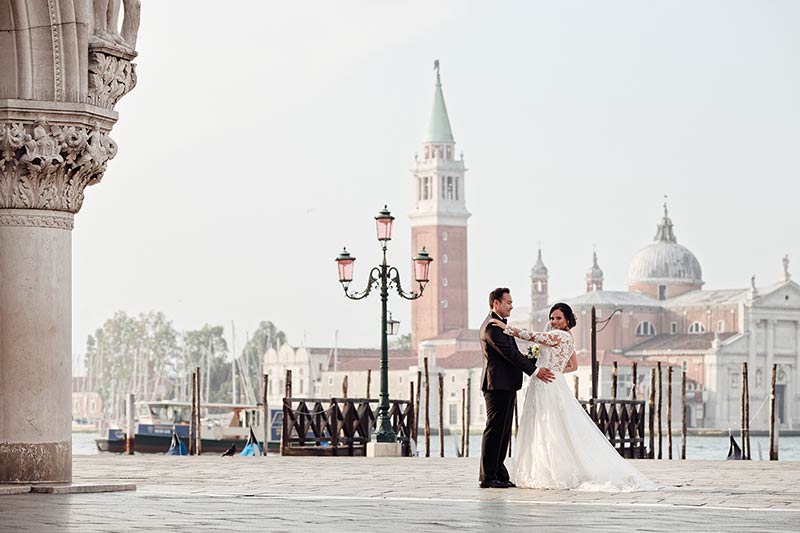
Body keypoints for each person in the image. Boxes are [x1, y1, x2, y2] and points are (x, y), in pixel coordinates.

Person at [490, 302, 655, 492]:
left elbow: (532, 336)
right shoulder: (568, 338)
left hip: (546, 384)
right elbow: (573, 366)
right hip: (554, 381)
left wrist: (506, 328)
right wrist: (555, 369)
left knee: (548, 426)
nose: (554, 321)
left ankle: (552, 472)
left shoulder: (558, 335)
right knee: (551, 425)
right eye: (552, 318)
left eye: (559, 318)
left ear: (568, 320)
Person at [478, 288, 555, 489]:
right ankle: (488, 476)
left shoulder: (500, 326)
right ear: (496, 303)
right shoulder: (491, 328)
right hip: (497, 385)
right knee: (495, 430)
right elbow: (510, 354)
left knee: (504, 431)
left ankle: (499, 473)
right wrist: (535, 370)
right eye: (508, 302)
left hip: (506, 384)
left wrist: (531, 358)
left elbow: (514, 353)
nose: (512, 306)